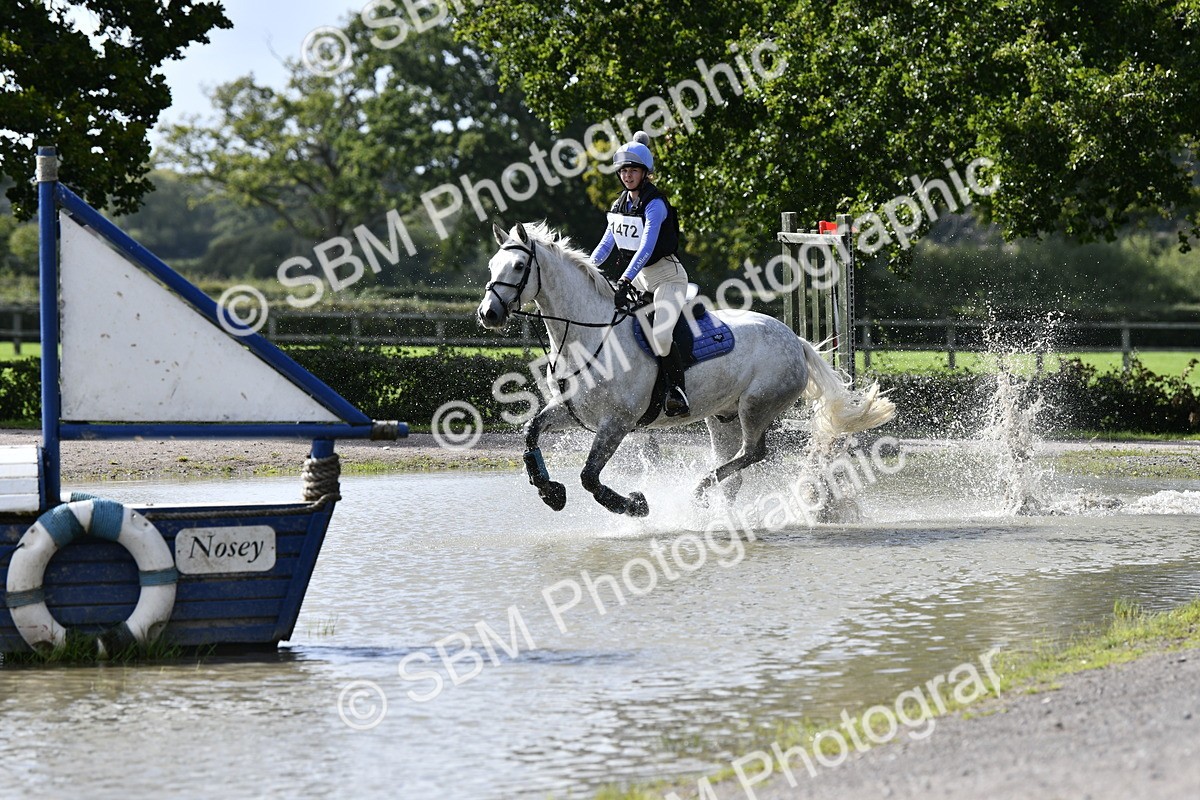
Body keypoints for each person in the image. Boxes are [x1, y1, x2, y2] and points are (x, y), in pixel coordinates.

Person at [589, 132, 691, 417]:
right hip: (639, 278)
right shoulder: (619, 205)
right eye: (623, 170)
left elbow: (646, 248)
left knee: (661, 336)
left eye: (633, 170)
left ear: (645, 173)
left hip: (668, 278)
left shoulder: (655, 204)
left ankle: (678, 392)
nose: (627, 175)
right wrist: (586, 269)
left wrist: (624, 279)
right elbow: (605, 245)